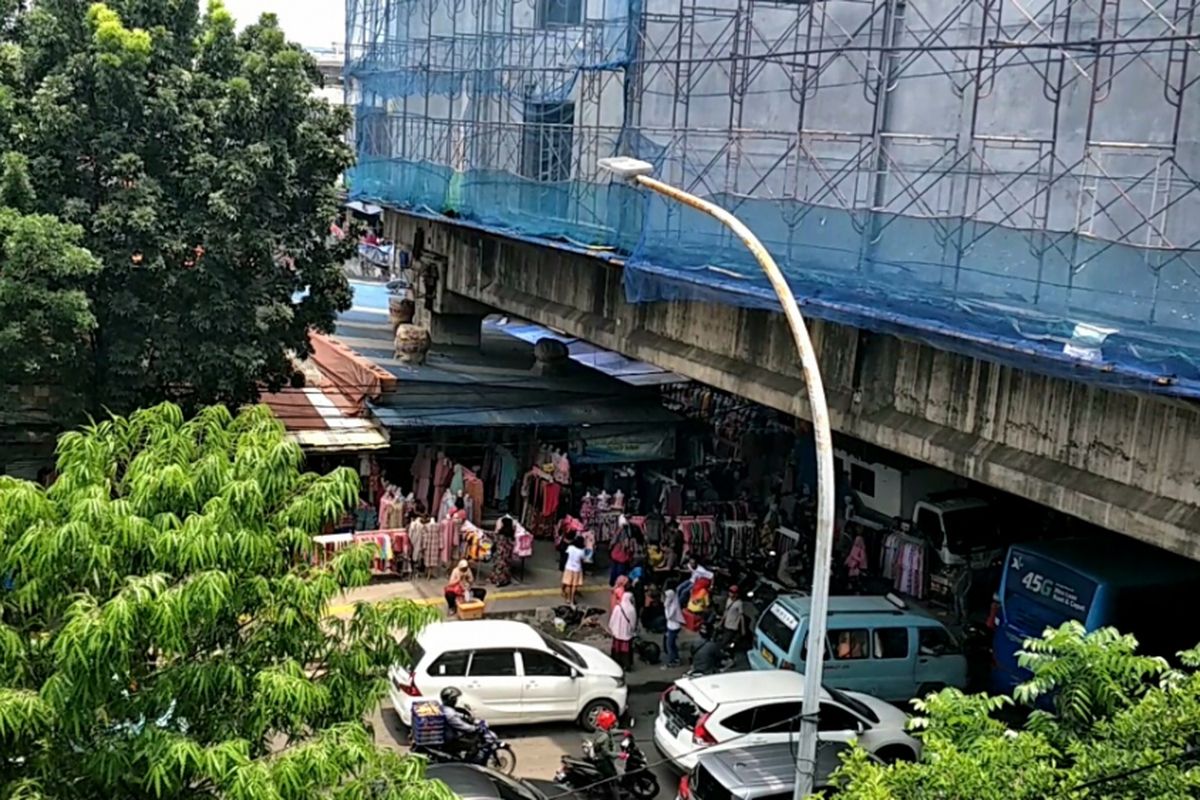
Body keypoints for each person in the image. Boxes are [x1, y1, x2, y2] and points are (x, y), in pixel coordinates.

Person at [590, 709, 622, 800]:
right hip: (603, 760)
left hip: (598, 756)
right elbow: (607, 753)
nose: (613, 725)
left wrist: (623, 732)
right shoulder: (604, 737)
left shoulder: (600, 730)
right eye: (612, 723)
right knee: (613, 778)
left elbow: (612, 732)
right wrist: (620, 755)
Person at [439, 687, 480, 759]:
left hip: (446, 735)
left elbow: (456, 714)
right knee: (472, 745)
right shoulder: (450, 714)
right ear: (451, 699)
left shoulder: (444, 708)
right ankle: (467, 764)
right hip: (450, 740)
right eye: (454, 698)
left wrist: (465, 716)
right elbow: (462, 726)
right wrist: (474, 728)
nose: (456, 700)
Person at [609, 589, 637, 670]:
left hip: (618, 632)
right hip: (626, 633)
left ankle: (617, 663)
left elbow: (613, 619)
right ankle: (627, 664)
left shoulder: (618, 608)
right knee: (626, 649)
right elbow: (633, 621)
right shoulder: (632, 609)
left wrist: (612, 628)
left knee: (617, 648)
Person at [562, 535, 587, 605]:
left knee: (568, 584)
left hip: (568, 567)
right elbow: (583, 560)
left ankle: (568, 598)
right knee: (574, 585)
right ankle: (572, 599)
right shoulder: (582, 551)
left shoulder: (570, 548)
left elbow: (566, 555)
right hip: (577, 569)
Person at [662, 588, 684, 668]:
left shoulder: (674, 605)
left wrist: (666, 606)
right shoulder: (672, 603)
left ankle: (672, 661)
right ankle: (676, 658)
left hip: (674, 627)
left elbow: (668, 616)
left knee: (669, 645)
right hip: (670, 626)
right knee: (672, 644)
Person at [491, 517, 514, 587]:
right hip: (507, 554)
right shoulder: (511, 534)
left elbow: (494, 542)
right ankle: (505, 580)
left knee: (499, 567)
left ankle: (497, 580)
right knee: (506, 567)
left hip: (499, 554)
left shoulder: (499, 534)